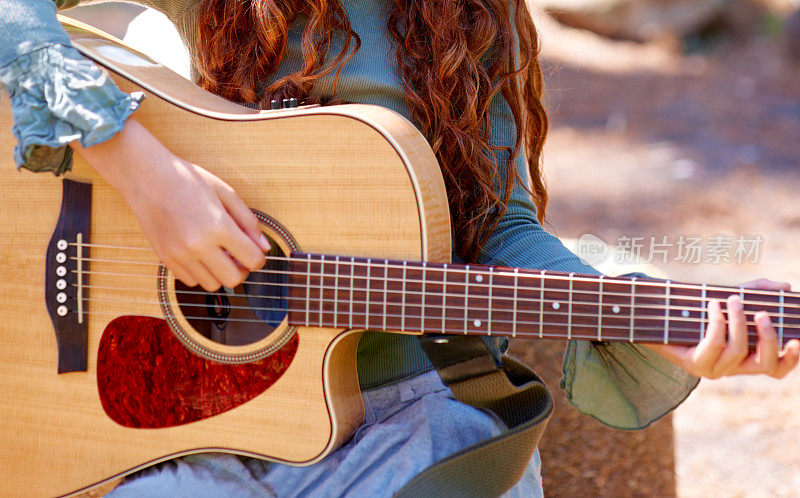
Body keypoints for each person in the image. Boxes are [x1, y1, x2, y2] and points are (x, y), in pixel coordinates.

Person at [1, 1, 798, 496]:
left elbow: (501, 226)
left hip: (404, 425)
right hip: (177, 419)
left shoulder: (473, 16)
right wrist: (144, 172)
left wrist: (644, 315)